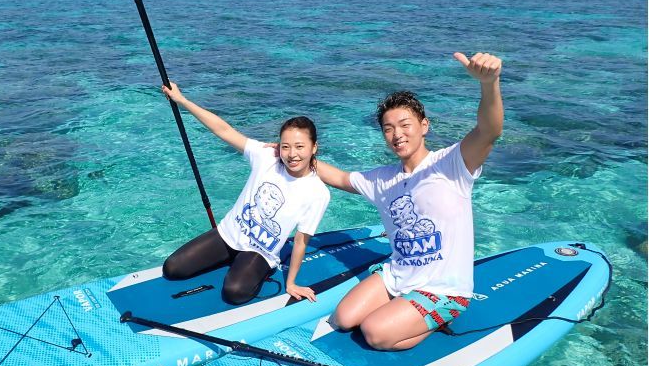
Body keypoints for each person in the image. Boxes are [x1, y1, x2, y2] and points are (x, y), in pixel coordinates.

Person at [316, 52, 504, 350]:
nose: (397, 134)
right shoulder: (382, 179)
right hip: (397, 276)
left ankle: (441, 317)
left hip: (443, 288)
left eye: (405, 125)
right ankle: (404, 307)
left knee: (374, 333)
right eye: (388, 129)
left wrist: (489, 83)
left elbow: (489, 130)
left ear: (424, 126)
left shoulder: (453, 163)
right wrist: (297, 156)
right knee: (343, 319)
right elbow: (340, 178)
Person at [161, 82, 330, 305]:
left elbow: (300, 242)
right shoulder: (267, 157)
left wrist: (291, 283)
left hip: (260, 252)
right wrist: (182, 101)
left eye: (300, 146)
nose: (292, 154)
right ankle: (229, 258)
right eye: (286, 146)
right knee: (172, 269)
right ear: (279, 146)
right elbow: (223, 130)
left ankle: (252, 268)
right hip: (227, 234)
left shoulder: (318, 192)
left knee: (235, 293)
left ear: (313, 147)